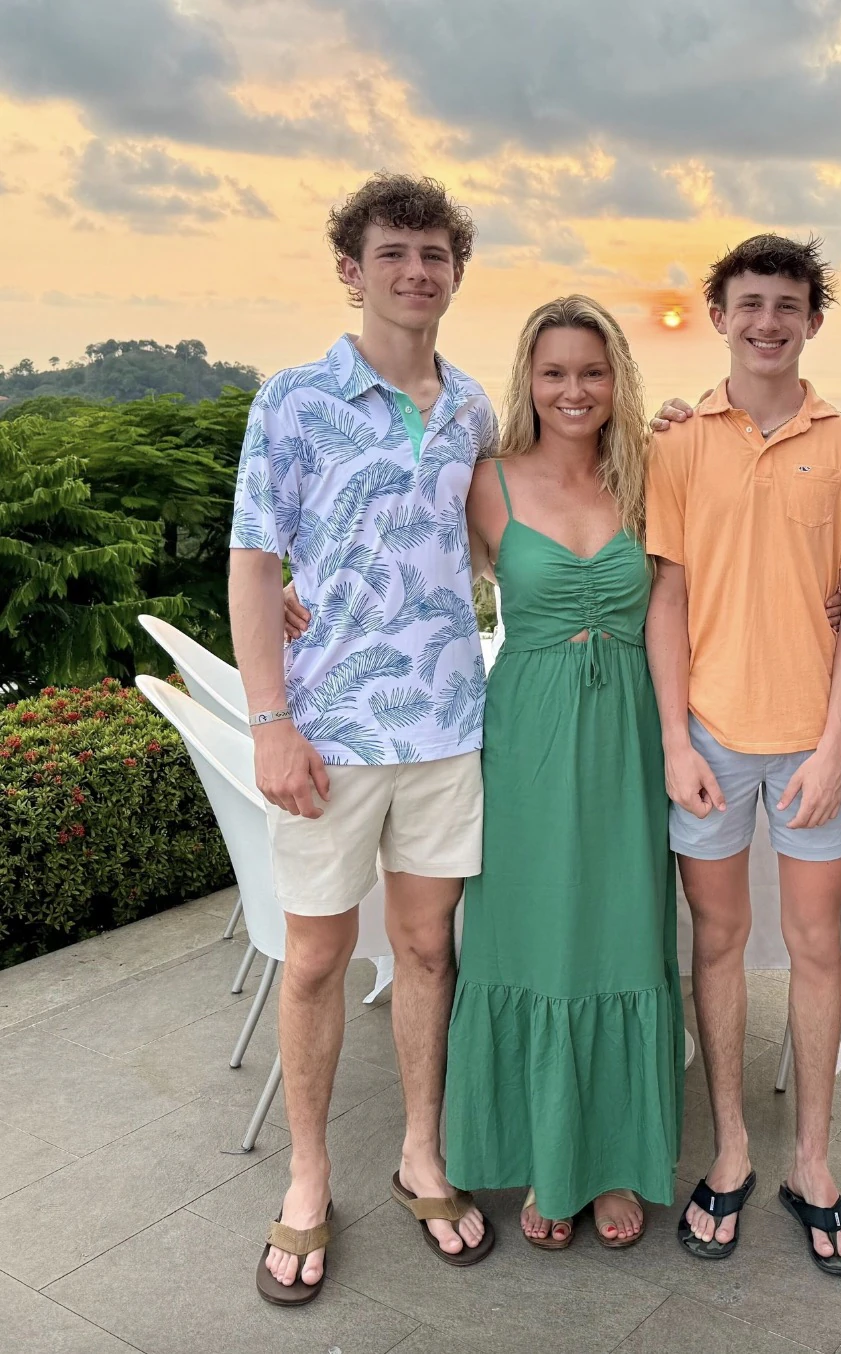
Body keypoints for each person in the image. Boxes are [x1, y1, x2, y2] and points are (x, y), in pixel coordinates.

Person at [230, 174, 497, 1305]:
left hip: (445, 728)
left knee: (429, 951)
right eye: (393, 253)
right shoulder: (294, 401)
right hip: (329, 734)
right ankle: (307, 1175)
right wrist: (271, 722)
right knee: (316, 960)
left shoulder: (474, 407)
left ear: (454, 271)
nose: (415, 272)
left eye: (434, 254)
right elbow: (254, 563)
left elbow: (519, 527)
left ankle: (420, 1153)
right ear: (352, 270)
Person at [645, 234, 841, 1277]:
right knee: (716, 941)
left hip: (809, 744)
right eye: (748, 304)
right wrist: (672, 740)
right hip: (706, 735)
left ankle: (814, 1163)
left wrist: (835, 744)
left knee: (817, 946)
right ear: (719, 316)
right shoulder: (675, 444)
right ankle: (733, 1149)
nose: (767, 322)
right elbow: (665, 598)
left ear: (812, 321)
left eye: (786, 306)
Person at [442, 295, 685, 1246]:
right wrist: (297, 596)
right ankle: (551, 1157)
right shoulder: (486, 481)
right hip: (528, 741)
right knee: (534, 937)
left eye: (592, 371)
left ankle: (614, 1161)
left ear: (618, 379)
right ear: (529, 381)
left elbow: (690, 593)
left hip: (629, 732)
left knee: (622, 933)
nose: (573, 389)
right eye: (555, 372)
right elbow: (402, 565)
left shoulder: (651, 475)